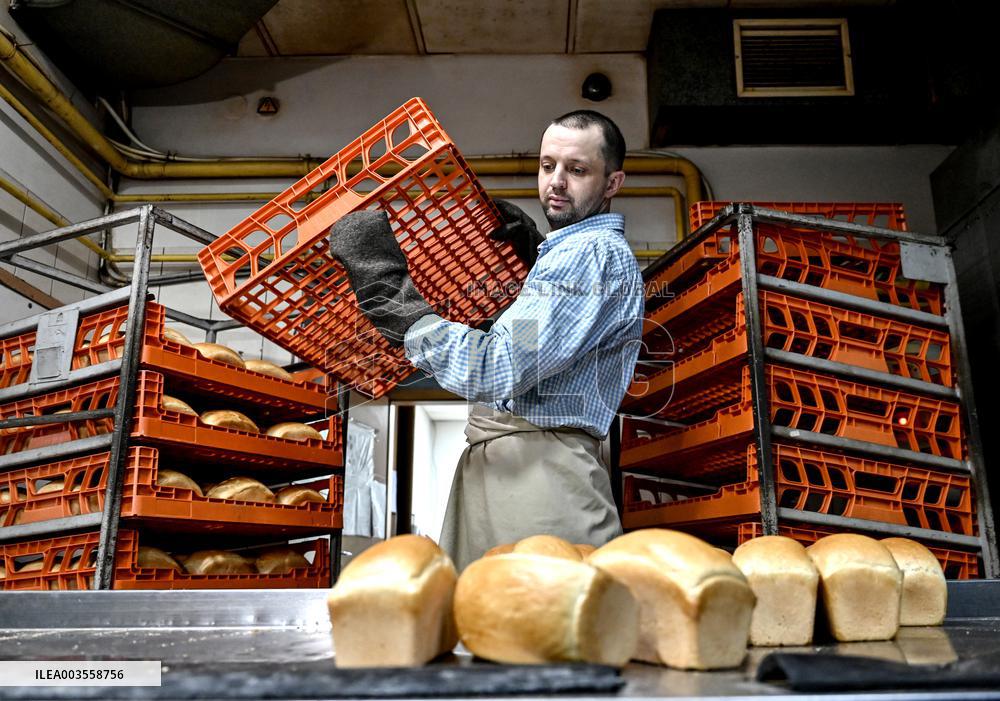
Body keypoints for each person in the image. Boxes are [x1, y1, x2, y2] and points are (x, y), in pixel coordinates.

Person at [330, 110, 644, 569]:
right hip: (516, 468)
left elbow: (496, 368)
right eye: (547, 165)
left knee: (540, 627)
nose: (556, 181)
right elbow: (540, 345)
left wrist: (393, 296)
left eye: (577, 170)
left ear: (613, 183)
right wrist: (532, 257)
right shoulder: (568, 254)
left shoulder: (589, 254)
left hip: (542, 478)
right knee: (492, 624)